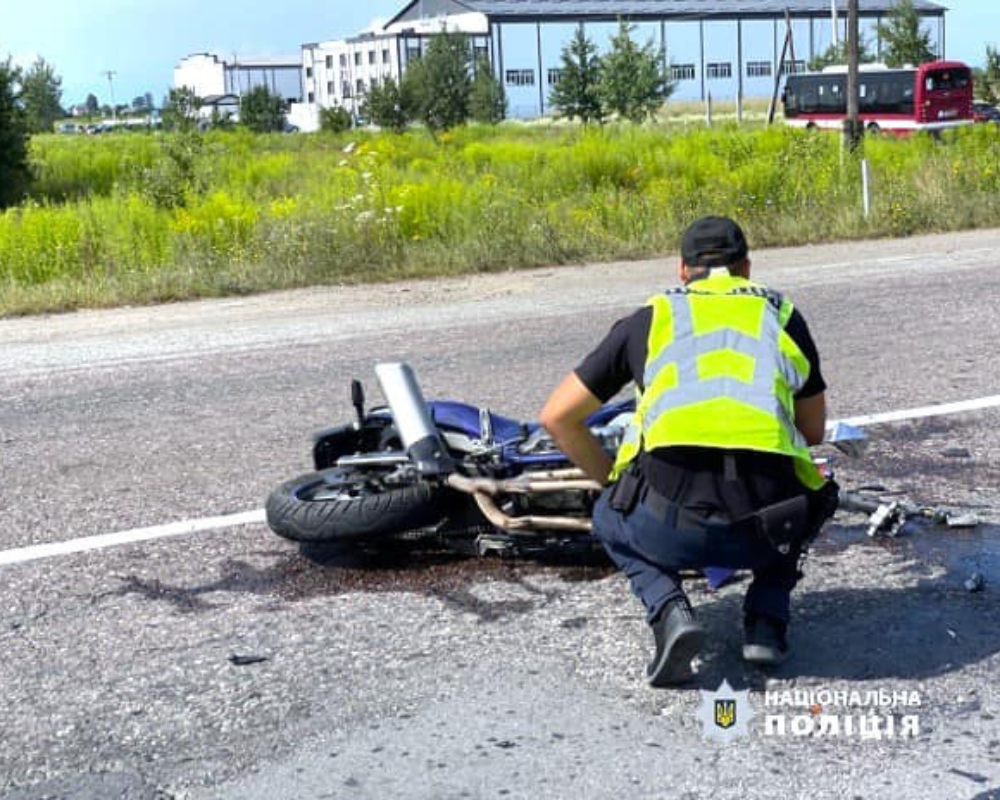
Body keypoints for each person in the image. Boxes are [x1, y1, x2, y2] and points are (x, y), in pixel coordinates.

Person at [539, 215, 837, 687]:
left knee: (608, 514)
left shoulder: (652, 316)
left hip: (667, 528)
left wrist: (614, 486)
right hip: (767, 529)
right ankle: (766, 621)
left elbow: (557, 417)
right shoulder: (781, 314)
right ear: (746, 268)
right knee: (816, 492)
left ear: (681, 270)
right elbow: (813, 430)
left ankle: (669, 610)